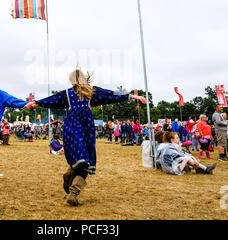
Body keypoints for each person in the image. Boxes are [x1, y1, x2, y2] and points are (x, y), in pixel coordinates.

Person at [28, 68, 146, 206]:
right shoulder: (91, 92)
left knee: (81, 160)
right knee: (86, 162)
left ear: (72, 81)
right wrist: (132, 96)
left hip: (71, 130)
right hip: (84, 131)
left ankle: (70, 175)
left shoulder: (69, 94)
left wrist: (36, 102)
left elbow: (52, 100)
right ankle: (73, 192)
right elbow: (111, 95)